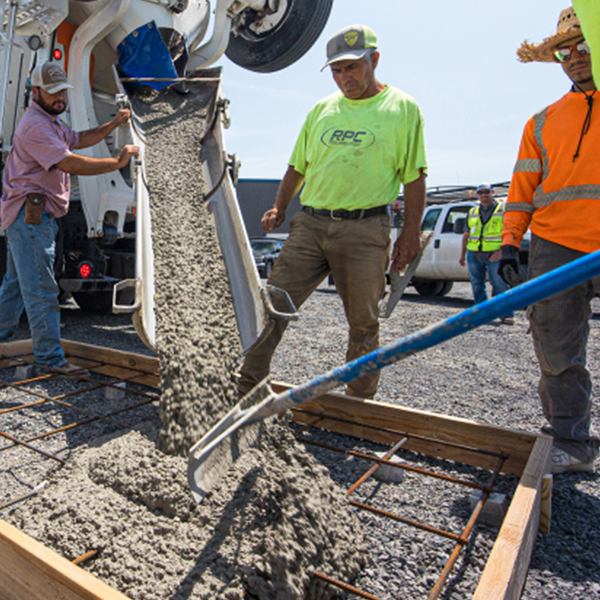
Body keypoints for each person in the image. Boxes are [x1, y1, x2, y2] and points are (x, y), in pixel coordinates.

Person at [238, 24, 427, 399]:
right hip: (311, 224)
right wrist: (279, 206)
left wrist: (409, 234)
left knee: (363, 321)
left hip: (366, 228)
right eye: (337, 71)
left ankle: (359, 398)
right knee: (273, 305)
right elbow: (297, 167)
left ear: (373, 60)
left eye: (352, 68)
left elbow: (415, 177)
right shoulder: (321, 110)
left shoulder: (402, 109)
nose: (344, 78)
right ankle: (247, 384)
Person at [498, 7, 600, 473]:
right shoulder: (542, 121)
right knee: (556, 348)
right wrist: (509, 243)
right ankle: (571, 439)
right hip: (557, 246)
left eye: (585, 46)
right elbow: (521, 190)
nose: (575, 57)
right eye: (566, 50)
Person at [0, 62, 139, 375]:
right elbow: (69, 162)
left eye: (62, 90)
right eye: (52, 92)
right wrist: (116, 162)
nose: (59, 96)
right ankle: (50, 359)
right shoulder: (35, 125)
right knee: (41, 289)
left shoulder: (51, 121)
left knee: (16, 286)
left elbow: (79, 138)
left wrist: (114, 123)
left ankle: (1, 343)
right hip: (30, 216)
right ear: (35, 92)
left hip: (29, 216)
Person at [459, 183, 514, 325]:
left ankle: (506, 314)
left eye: (487, 192)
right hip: (475, 253)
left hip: (495, 253)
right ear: (477, 195)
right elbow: (466, 234)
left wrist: (501, 251)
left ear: (493, 192)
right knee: (477, 284)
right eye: (481, 192)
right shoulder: (472, 212)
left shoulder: (503, 209)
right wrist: (462, 254)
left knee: (500, 284)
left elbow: (510, 231)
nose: (484, 195)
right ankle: (482, 313)